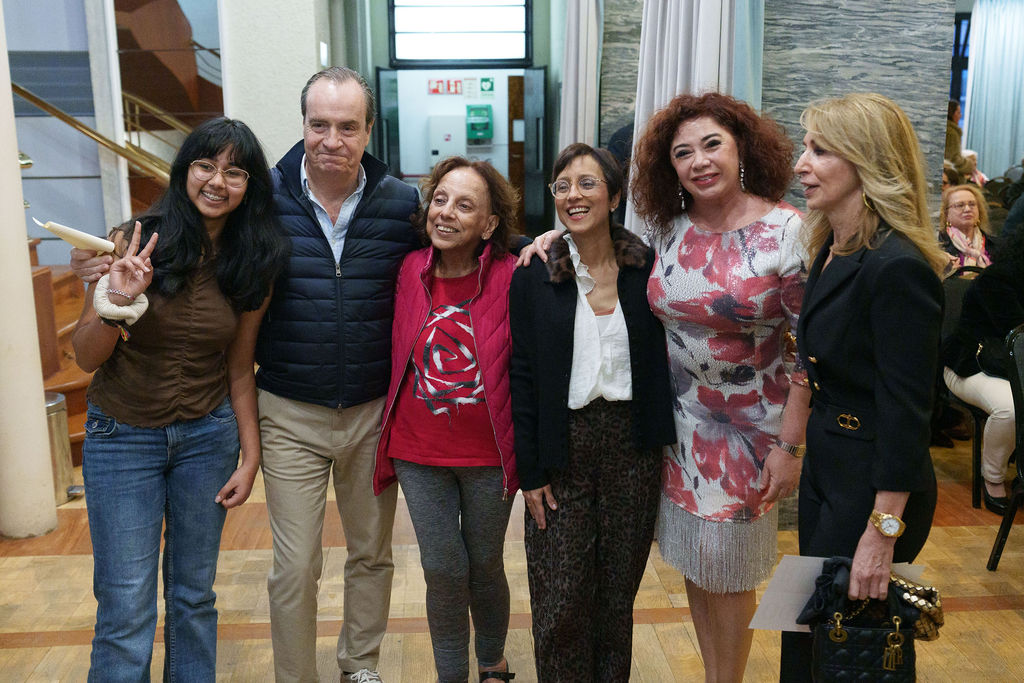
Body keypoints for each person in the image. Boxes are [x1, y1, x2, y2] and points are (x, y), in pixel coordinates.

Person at [72, 67, 421, 683]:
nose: (332, 140)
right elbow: (92, 351)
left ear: (369, 130)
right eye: (319, 124)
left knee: (203, 594)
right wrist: (108, 285)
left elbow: (459, 241)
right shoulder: (195, 224)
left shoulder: (389, 207)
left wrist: (536, 243)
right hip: (192, 424)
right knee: (143, 601)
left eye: (347, 126)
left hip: (322, 418)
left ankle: (359, 667)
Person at [71, 117, 287, 680]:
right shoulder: (132, 239)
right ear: (183, 171)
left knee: (194, 598)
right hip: (122, 436)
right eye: (205, 165)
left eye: (234, 172)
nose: (217, 181)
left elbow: (240, 368)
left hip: (206, 438)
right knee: (125, 605)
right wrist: (115, 302)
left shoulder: (255, 258)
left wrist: (251, 456)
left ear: (250, 186)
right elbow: (86, 357)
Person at [629, 92, 810, 682]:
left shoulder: (786, 229)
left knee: (728, 570)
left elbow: (811, 354)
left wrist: (790, 445)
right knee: (696, 561)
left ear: (742, 150)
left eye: (712, 145)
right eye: (683, 153)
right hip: (679, 425)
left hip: (751, 431)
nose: (699, 161)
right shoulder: (668, 228)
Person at [781, 92, 945, 681]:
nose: (801, 164)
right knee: (810, 637)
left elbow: (907, 414)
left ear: (866, 161)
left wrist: (882, 534)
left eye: (820, 150)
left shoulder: (897, 267)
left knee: (847, 651)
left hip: (875, 485)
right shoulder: (831, 246)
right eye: (806, 148)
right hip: (831, 466)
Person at [510, 143, 675, 682]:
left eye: (587, 183)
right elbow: (522, 374)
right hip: (563, 448)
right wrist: (529, 471)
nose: (573, 195)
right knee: (561, 602)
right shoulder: (536, 272)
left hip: (633, 448)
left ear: (615, 196)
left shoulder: (648, 268)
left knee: (615, 601)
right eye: (562, 186)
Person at [372, 157, 520, 683]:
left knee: (485, 564)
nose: (446, 213)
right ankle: (451, 674)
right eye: (440, 199)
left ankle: (492, 661)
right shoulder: (408, 270)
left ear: (490, 223)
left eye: (464, 205)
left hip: (490, 454)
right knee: (442, 567)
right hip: (418, 451)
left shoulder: (513, 274)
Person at [942, 228, 1024, 514]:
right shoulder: (998, 280)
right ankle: (993, 477)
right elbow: (1017, 335)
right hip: (971, 365)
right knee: (1011, 408)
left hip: (1011, 367)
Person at [939, 183, 993, 269]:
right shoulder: (937, 246)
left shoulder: (995, 245)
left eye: (972, 204)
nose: (967, 209)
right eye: (960, 205)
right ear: (946, 214)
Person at [945, 99, 971, 178]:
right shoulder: (951, 133)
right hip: (952, 178)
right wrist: (970, 164)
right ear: (952, 113)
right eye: (959, 113)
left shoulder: (950, 131)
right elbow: (953, 160)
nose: (960, 116)